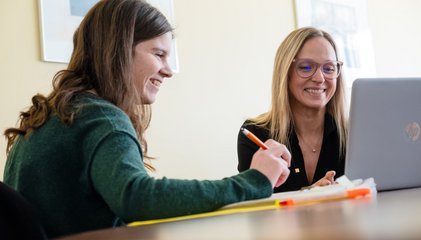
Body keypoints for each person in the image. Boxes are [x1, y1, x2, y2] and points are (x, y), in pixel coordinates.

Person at [2, 0, 291, 238]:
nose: (169, 70)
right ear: (118, 50)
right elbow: (137, 198)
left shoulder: (50, 115)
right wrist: (253, 180)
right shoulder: (101, 119)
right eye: (159, 54)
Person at [237, 27, 348, 193]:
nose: (319, 78)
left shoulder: (353, 133)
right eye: (305, 67)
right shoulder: (255, 134)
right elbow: (254, 207)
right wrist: (308, 195)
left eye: (329, 68)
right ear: (285, 72)